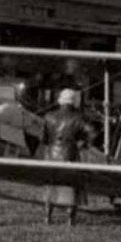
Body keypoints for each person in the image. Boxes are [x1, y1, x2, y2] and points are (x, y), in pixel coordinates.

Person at [42, 88, 95, 226]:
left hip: (52, 155)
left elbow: (43, 138)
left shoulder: (49, 116)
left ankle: (48, 217)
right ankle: (70, 219)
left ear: (60, 100)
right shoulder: (79, 117)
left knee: (51, 186)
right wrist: (83, 144)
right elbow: (92, 132)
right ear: (73, 102)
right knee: (71, 186)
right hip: (70, 154)